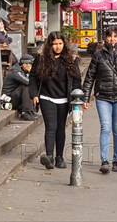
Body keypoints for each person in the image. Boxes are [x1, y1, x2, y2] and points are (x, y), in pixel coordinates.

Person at [82, 27, 117, 174]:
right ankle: (104, 160)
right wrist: (86, 97)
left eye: (116, 36)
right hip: (103, 96)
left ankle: (116, 160)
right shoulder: (98, 55)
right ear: (105, 38)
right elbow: (90, 76)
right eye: (110, 36)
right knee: (105, 127)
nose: (112, 39)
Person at [29, 31, 82, 170]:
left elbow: (76, 80)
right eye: (54, 44)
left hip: (64, 99)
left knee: (60, 128)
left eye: (60, 44)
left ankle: (60, 157)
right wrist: (34, 94)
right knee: (50, 127)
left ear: (64, 44)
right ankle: (49, 157)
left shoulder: (72, 59)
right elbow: (33, 76)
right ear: (50, 45)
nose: (58, 47)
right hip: (47, 97)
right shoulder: (41, 58)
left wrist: (76, 98)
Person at [0, 53, 38, 121]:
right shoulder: (16, 71)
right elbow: (28, 82)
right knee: (26, 86)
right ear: (25, 64)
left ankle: (31, 111)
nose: (32, 67)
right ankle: (26, 113)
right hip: (8, 100)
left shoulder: (23, 71)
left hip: (16, 98)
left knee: (31, 88)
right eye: (31, 65)